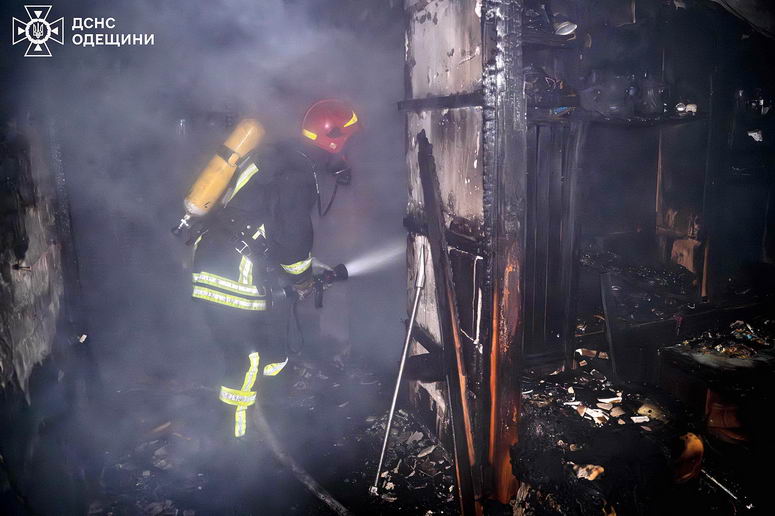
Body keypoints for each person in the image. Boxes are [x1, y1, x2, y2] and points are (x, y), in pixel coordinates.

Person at [190, 99, 361, 438]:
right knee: (248, 359)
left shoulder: (277, 156)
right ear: (333, 140)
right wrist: (302, 278)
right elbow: (292, 237)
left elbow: (262, 220)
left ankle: (262, 426)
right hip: (234, 275)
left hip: (215, 262)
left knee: (268, 354)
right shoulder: (297, 175)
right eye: (347, 142)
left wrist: (299, 270)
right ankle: (237, 445)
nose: (348, 149)